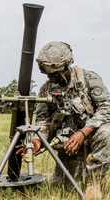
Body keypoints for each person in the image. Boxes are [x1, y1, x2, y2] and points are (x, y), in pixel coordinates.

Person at [33, 41, 110, 198]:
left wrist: (83, 133)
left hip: (91, 137)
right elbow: (42, 121)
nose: (51, 78)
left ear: (66, 66)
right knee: (64, 189)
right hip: (67, 144)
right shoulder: (46, 90)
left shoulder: (89, 79)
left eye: (54, 74)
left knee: (107, 132)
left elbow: (106, 108)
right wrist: (38, 139)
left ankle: (95, 181)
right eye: (48, 75)